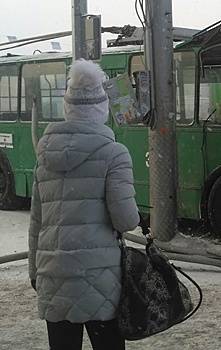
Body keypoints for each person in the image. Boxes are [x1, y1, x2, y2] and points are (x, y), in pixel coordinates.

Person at [28, 59, 140, 350]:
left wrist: (35, 273)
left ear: (68, 108)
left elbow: (37, 224)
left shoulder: (44, 155)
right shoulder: (114, 154)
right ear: (101, 110)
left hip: (53, 275)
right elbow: (126, 220)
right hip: (99, 278)